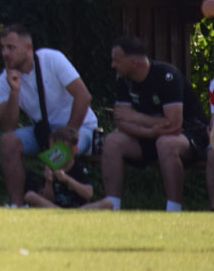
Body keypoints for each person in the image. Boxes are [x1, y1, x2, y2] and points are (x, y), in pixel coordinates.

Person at [82, 35, 210, 211]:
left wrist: (135, 117)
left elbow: (174, 125)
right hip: (151, 135)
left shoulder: (167, 76)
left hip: (189, 134)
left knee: (166, 143)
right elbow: (121, 120)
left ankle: (174, 210)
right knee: (112, 141)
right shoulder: (123, 79)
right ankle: (112, 206)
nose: (113, 65)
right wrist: (150, 132)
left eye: (117, 60)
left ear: (134, 62)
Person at [0, 23, 99, 207]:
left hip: (79, 127)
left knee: (61, 149)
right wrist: (14, 92)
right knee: (8, 141)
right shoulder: (4, 80)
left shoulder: (51, 59)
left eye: (11, 48)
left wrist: (67, 137)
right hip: (44, 132)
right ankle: (17, 205)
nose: (5, 53)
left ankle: (66, 202)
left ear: (28, 48)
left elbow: (83, 96)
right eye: (2, 48)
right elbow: (8, 126)